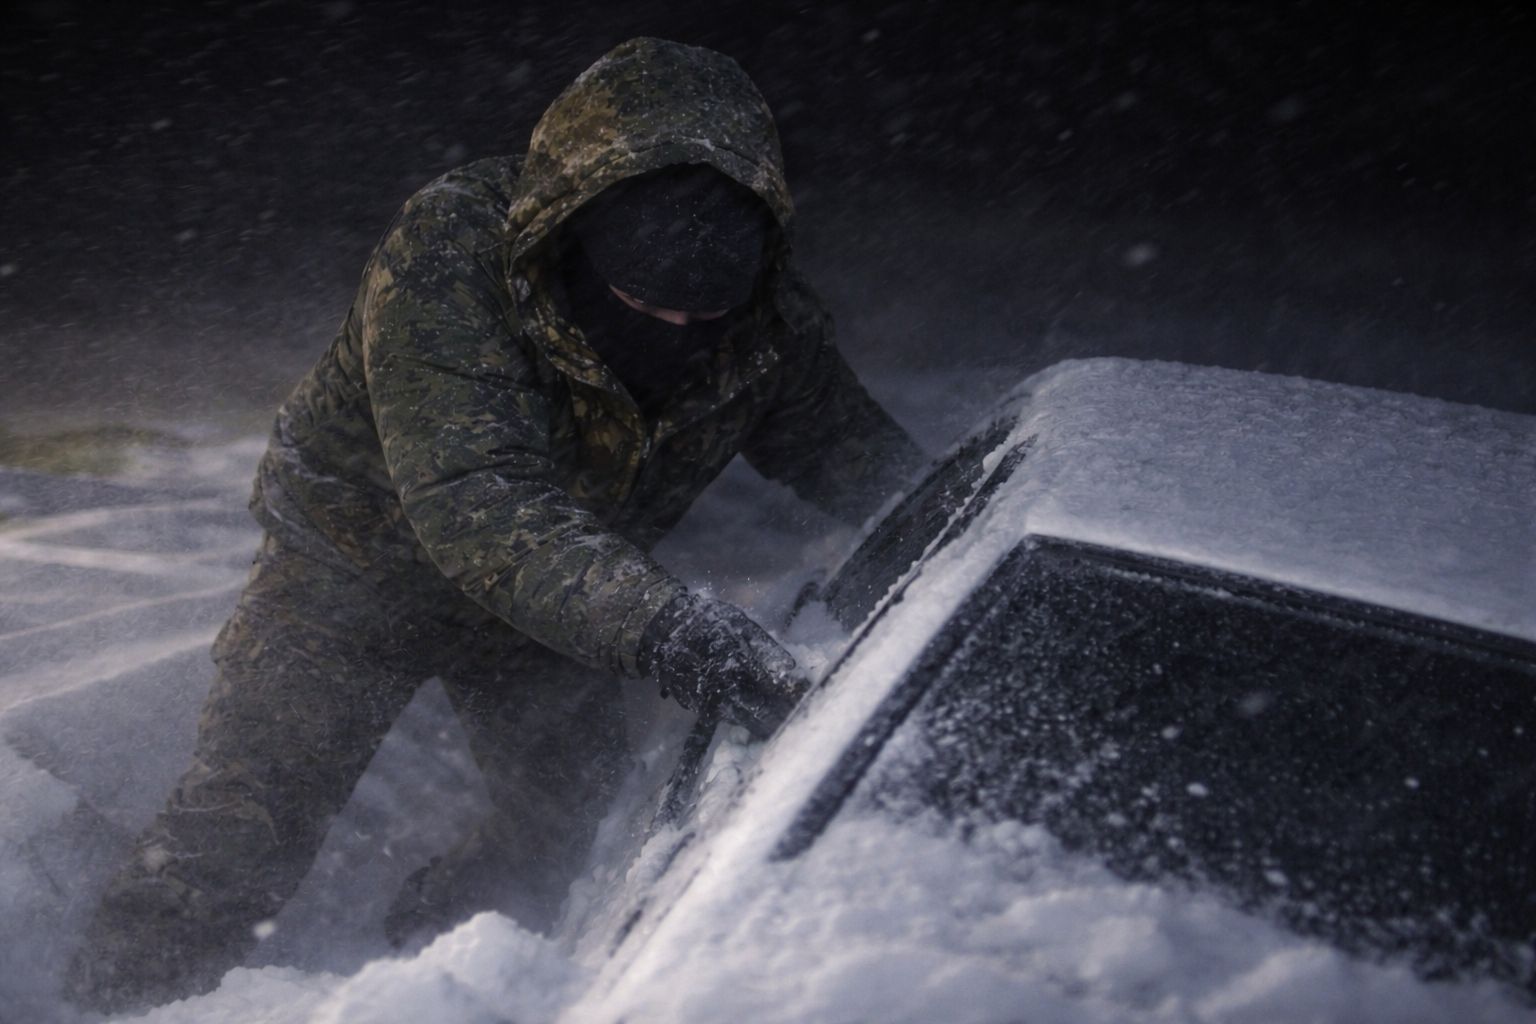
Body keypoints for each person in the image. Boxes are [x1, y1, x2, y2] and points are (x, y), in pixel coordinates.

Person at [65, 36, 923, 1014]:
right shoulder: (449, 261)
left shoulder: (762, 324)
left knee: (579, 827)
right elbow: (479, 499)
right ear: (577, 239)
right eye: (643, 305)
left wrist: (940, 515)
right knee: (239, 831)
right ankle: (111, 1003)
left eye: (704, 319)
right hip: (352, 577)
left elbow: (852, 453)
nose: (675, 340)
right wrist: (667, 628)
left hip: (551, 605)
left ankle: (439, 955)